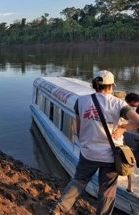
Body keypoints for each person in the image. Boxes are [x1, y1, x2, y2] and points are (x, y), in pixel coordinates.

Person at [51, 70, 139, 215]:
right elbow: (137, 121)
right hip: (111, 156)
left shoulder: (81, 101)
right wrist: (123, 127)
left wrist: (86, 143)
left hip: (88, 153)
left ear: (95, 85)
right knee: (107, 190)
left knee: (79, 181)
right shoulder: (118, 104)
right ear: (111, 86)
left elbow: (78, 128)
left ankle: (59, 208)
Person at [123, 92, 139, 192]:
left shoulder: (129, 109)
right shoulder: (133, 109)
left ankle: (129, 186)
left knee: (129, 161)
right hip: (134, 137)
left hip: (131, 137)